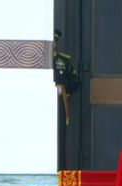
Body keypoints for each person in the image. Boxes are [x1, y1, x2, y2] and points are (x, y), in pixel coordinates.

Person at [53, 29, 79, 169]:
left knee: (60, 134)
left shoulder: (64, 60)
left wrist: (65, 90)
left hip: (59, 100)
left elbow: (75, 81)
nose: (53, 44)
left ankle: (61, 169)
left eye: (55, 41)